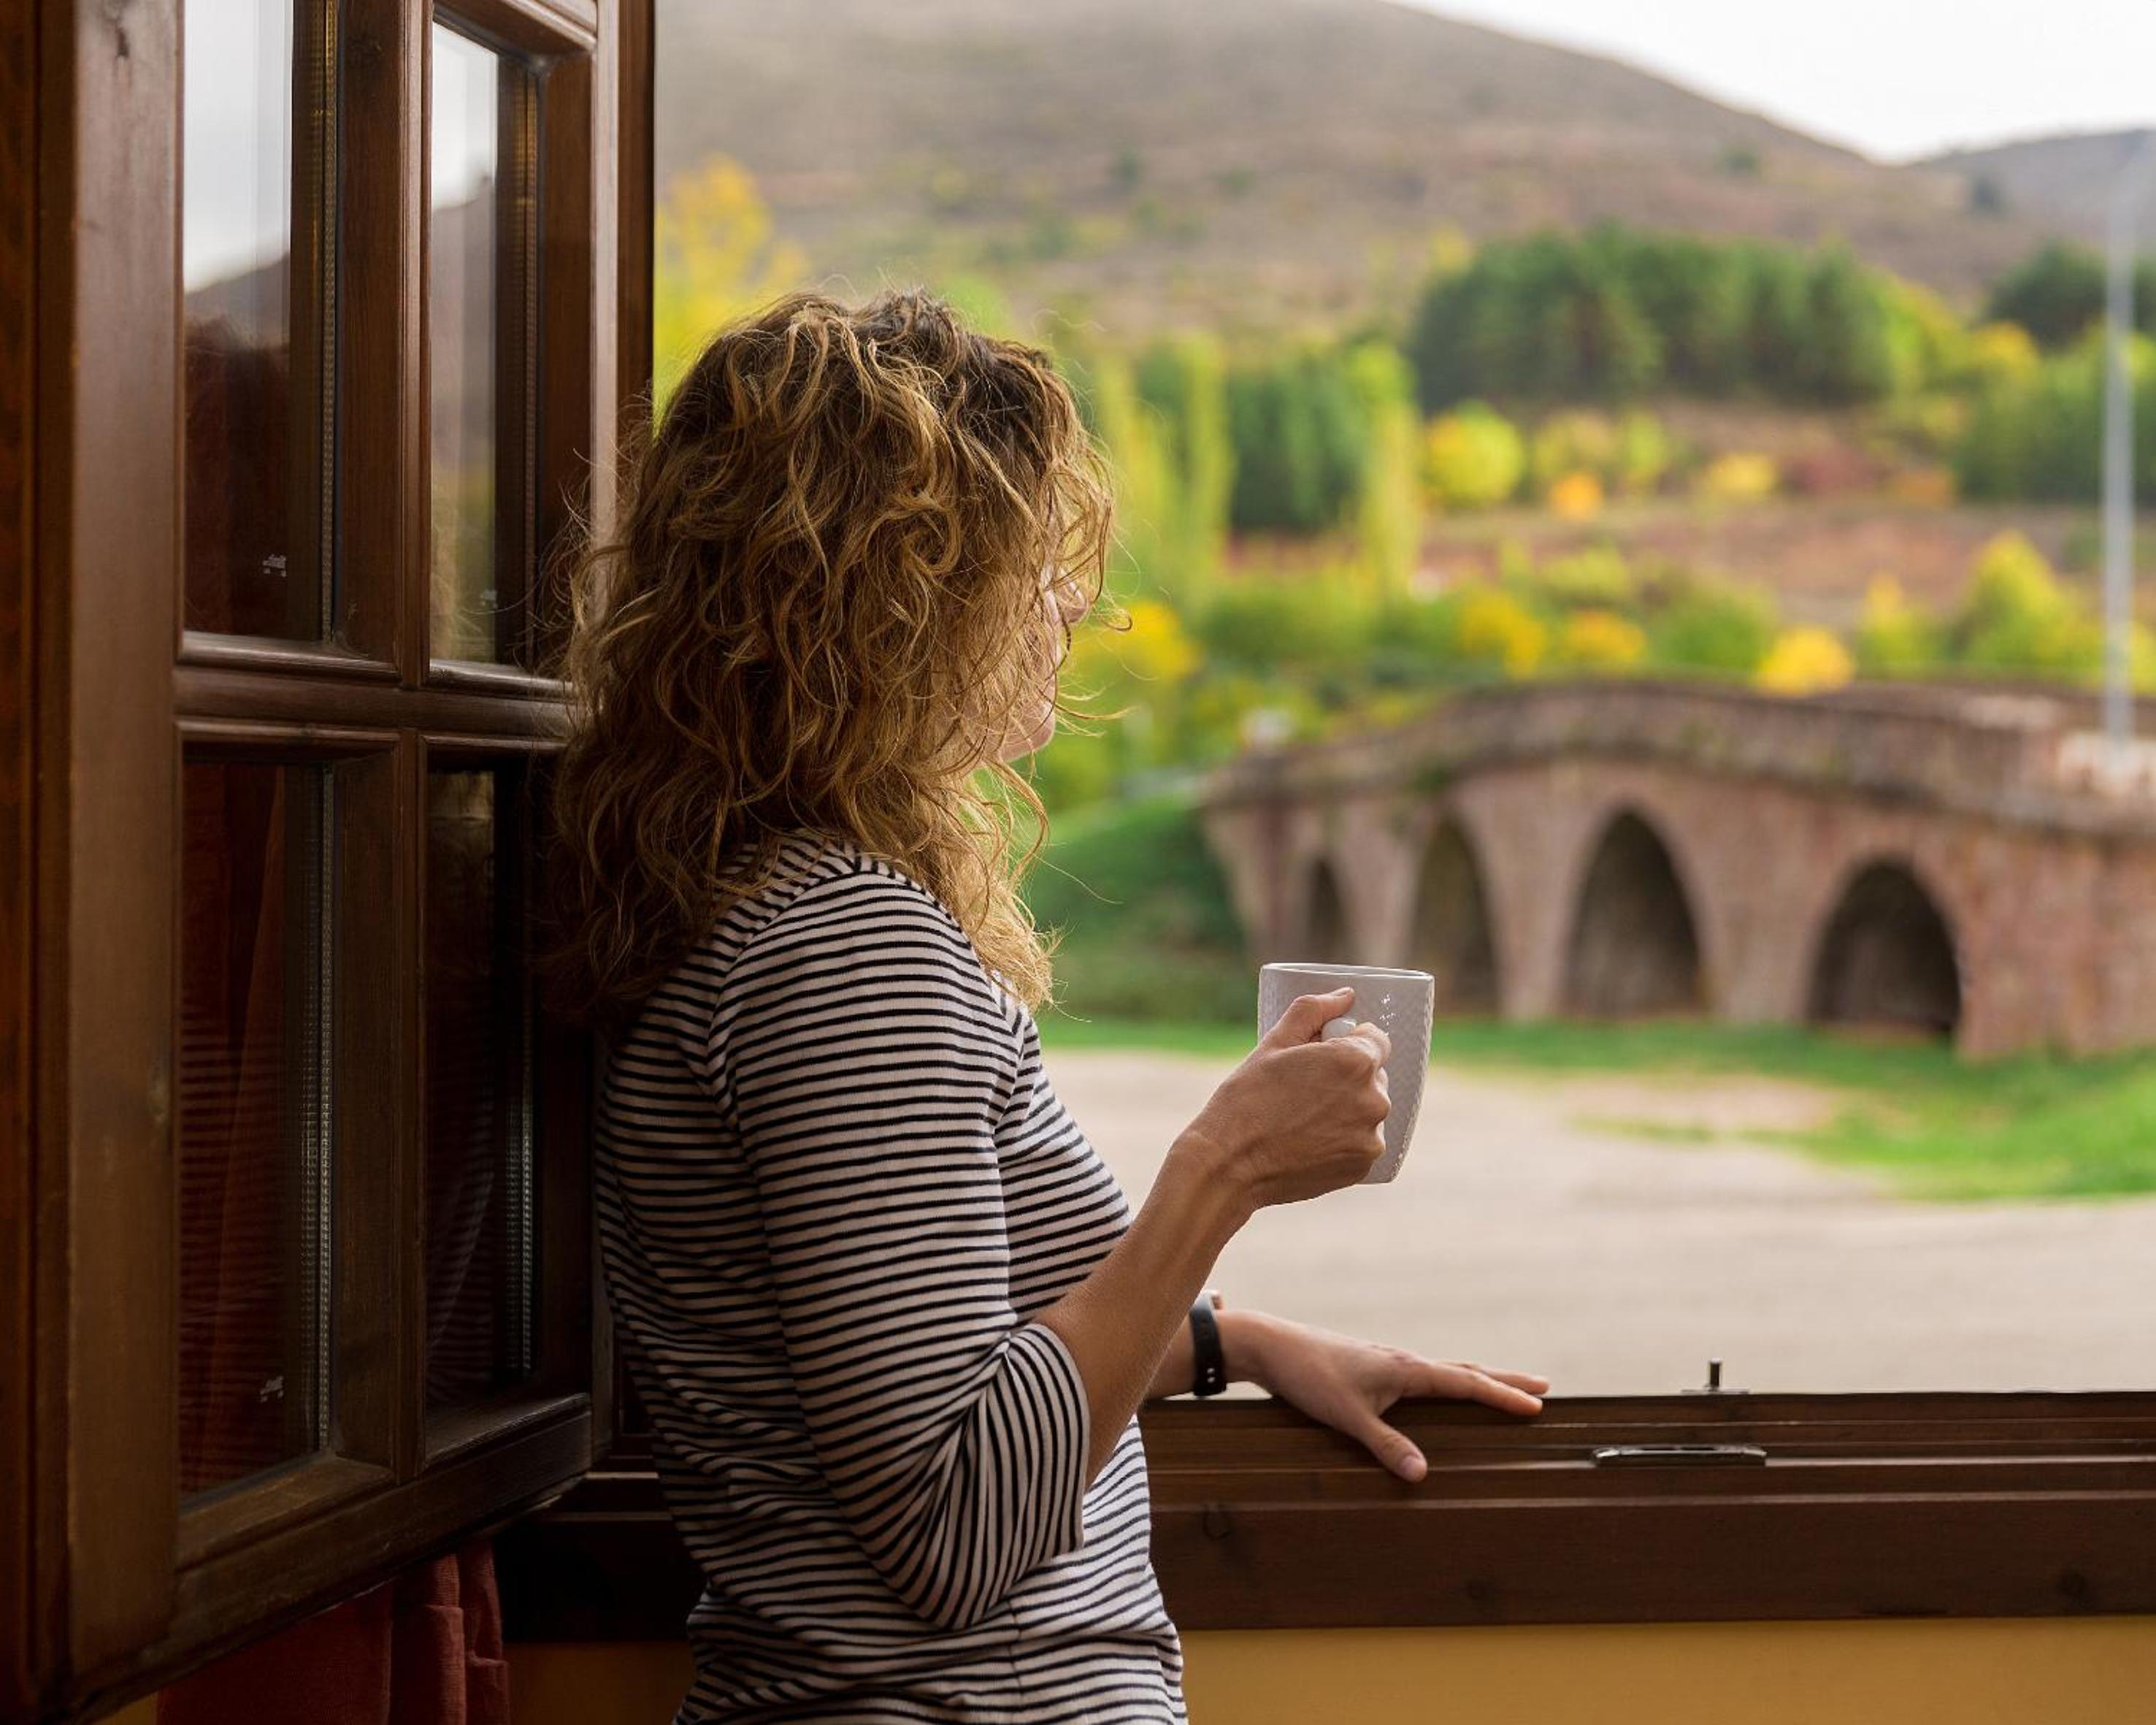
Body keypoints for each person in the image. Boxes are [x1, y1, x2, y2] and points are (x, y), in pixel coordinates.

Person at [548, 289, 1548, 1724]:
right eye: (1020, 563)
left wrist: (1233, 1341)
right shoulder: (847, 955)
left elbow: (912, 1346)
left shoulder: (756, 907)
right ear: (885, 601)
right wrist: (1220, 1172)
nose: (1066, 607)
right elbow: (951, 1525)